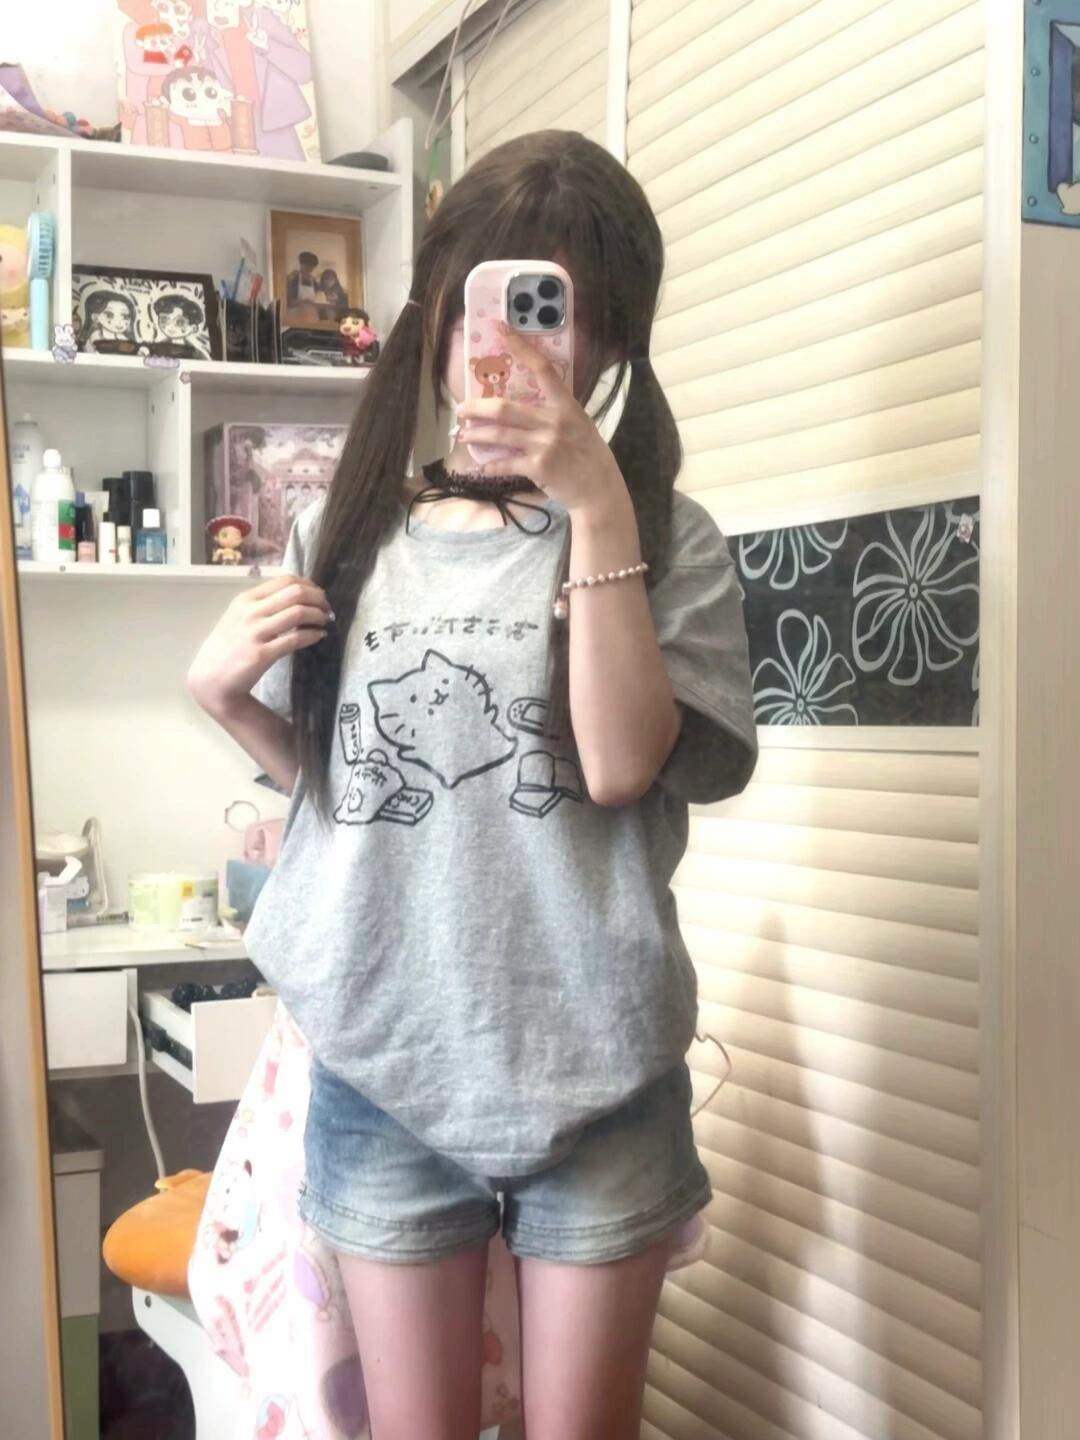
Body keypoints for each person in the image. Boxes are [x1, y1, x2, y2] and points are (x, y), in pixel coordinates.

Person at [187, 129, 756, 1440]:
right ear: (434, 315)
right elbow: (362, 801)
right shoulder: (343, 531)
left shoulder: (668, 538)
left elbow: (619, 765)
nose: (502, 348)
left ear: (610, 343)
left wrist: (597, 507)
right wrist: (229, 702)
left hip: (595, 1054)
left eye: (553, 314)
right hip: (388, 1055)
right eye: (478, 309)